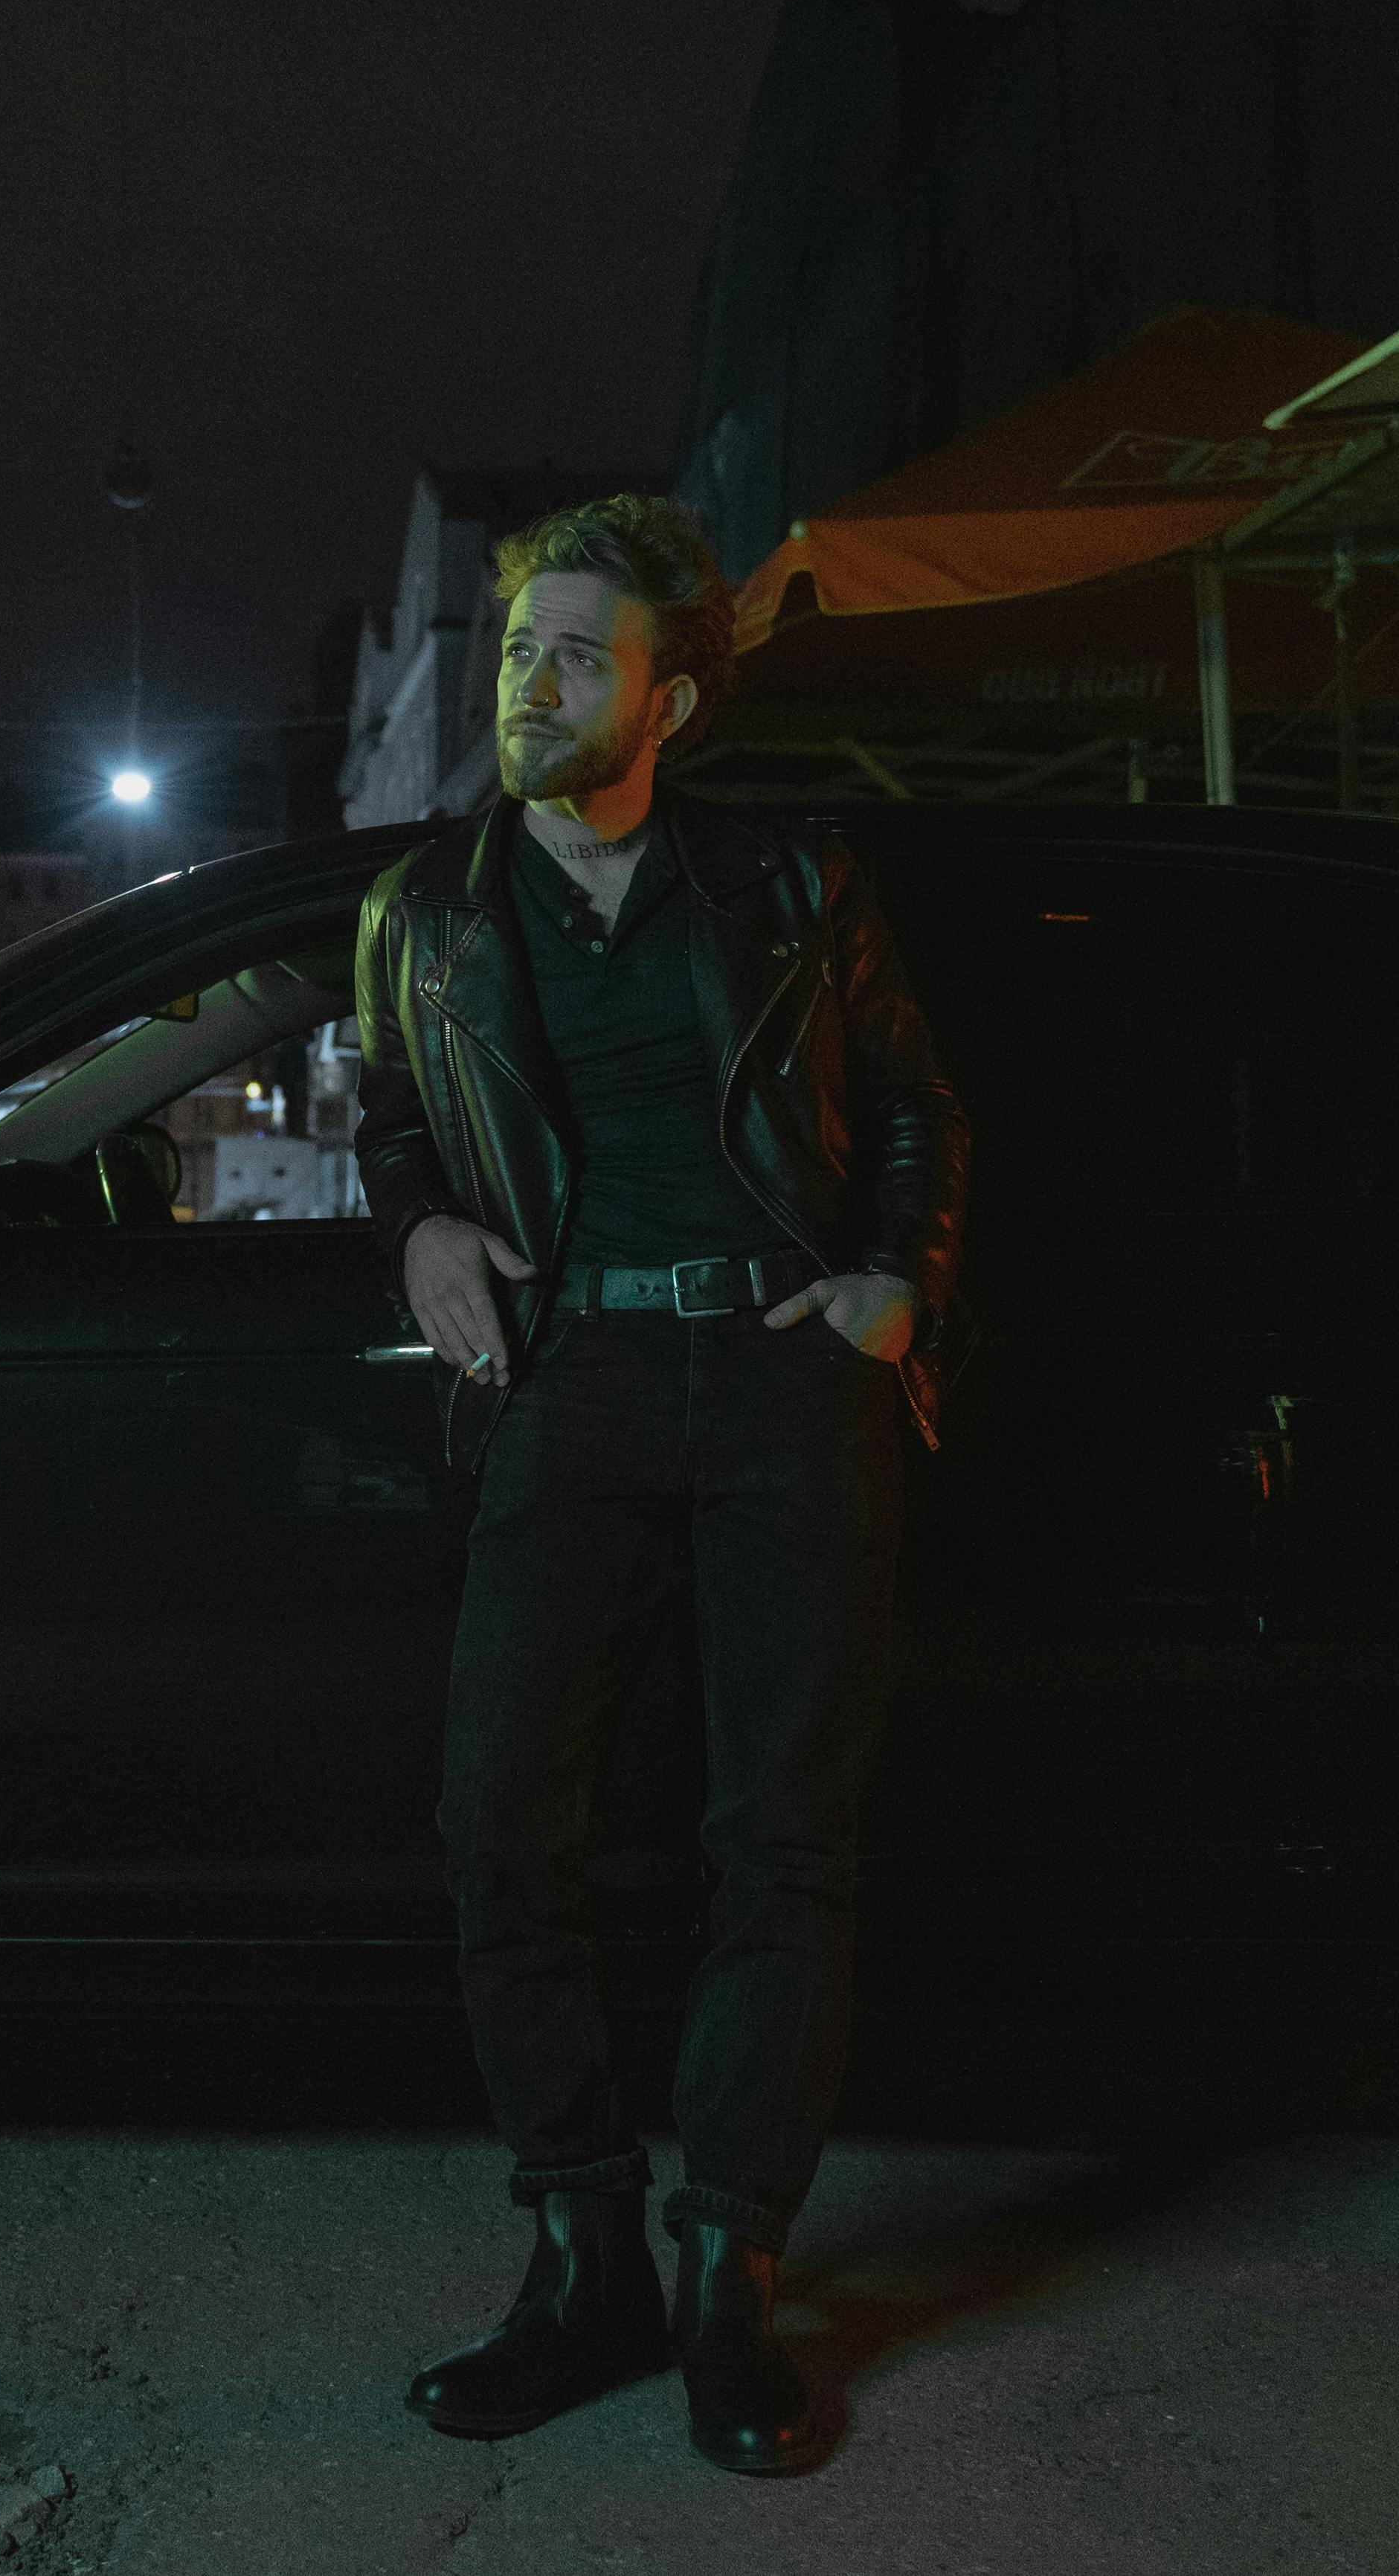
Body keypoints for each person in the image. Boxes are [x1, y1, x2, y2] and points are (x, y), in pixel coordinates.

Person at [351, 492, 967, 2476]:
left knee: (783, 1837)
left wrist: (895, 1283)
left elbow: (914, 1106)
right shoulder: (424, 910)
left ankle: (729, 2282)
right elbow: (388, 1113)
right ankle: (582, 2250)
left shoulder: (783, 875)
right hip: (571, 1378)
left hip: (788, 1377)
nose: (528, 679)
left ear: (669, 701)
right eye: (519, 647)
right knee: (493, 1820)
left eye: (571, 655)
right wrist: (426, 1231)